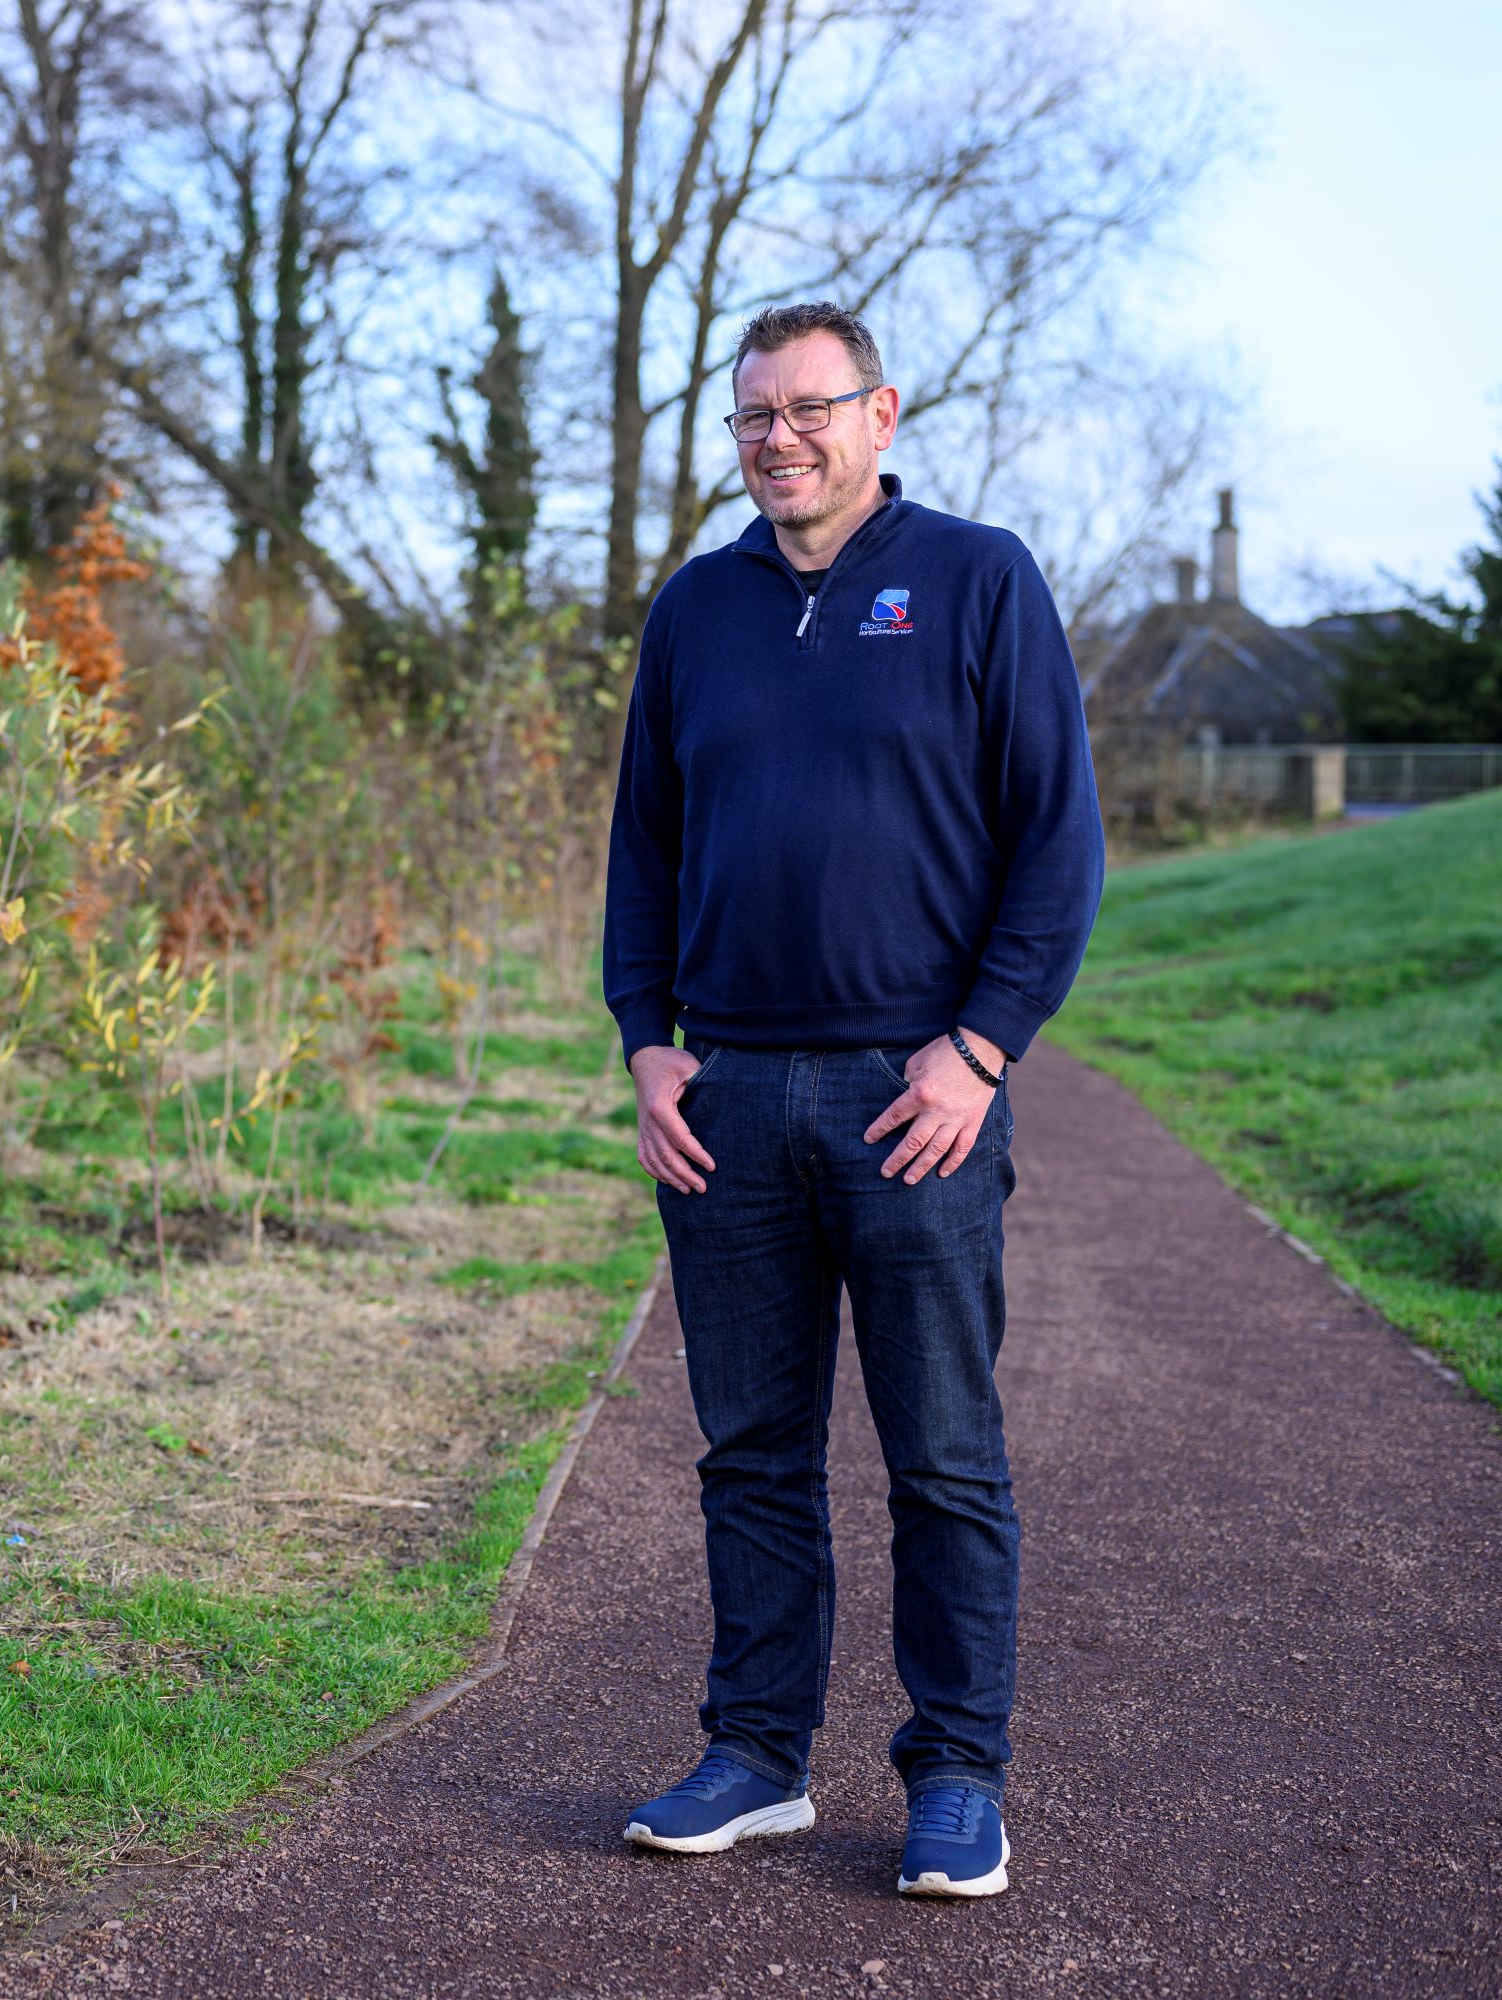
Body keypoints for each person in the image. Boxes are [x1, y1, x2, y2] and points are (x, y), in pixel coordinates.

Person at [600, 302, 1103, 1899]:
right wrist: (646, 1041)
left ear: (881, 415)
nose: (778, 439)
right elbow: (642, 853)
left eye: (809, 409)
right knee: (750, 1455)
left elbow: (1058, 843)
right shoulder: (697, 609)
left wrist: (980, 1050)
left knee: (942, 1453)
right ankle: (757, 1757)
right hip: (727, 1100)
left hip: (916, 1102)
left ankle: (957, 1775)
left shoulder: (976, 578)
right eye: (752, 416)